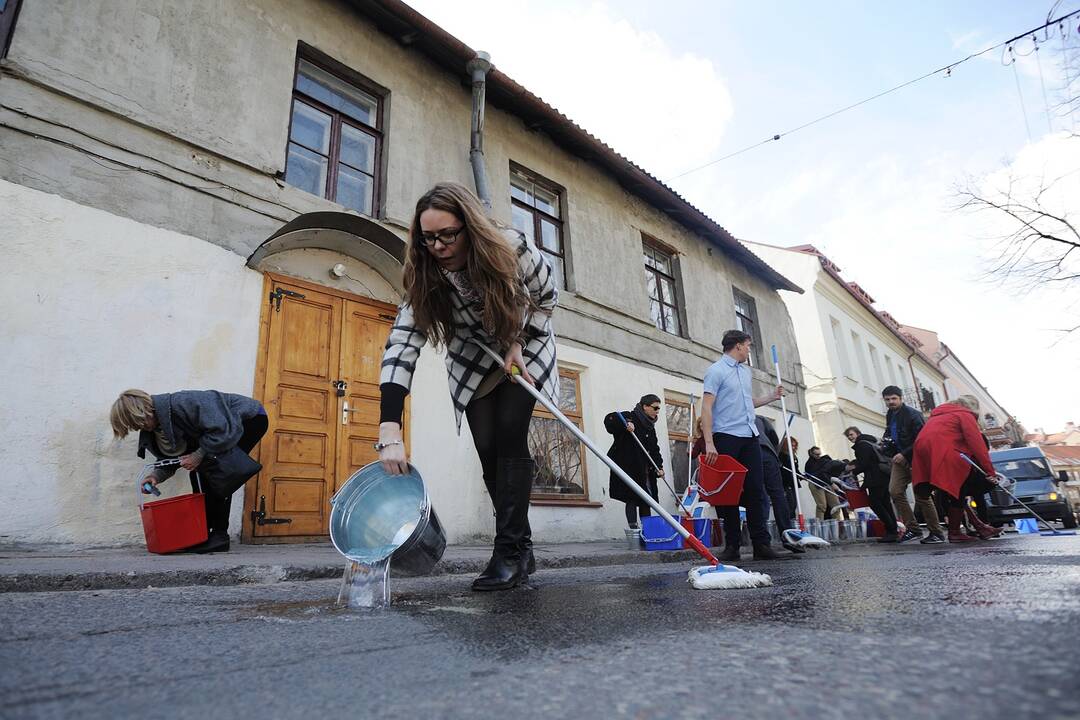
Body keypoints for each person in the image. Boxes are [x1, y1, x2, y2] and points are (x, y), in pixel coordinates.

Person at [376, 182, 558, 592]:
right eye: (428, 238)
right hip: (472, 357)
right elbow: (402, 344)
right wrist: (389, 427)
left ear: (469, 226)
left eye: (447, 235)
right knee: (489, 449)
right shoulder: (423, 273)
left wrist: (518, 341)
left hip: (524, 344)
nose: (438, 246)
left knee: (511, 434)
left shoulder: (510, 247)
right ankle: (523, 548)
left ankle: (508, 552)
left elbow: (547, 295)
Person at [110, 388, 268, 553]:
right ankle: (203, 534)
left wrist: (198, 455)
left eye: (138, 423)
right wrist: (155, 476)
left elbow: (222, 429)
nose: (140, 428)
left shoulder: (185, 403)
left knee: (217, 471)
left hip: (250, 418)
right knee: (200, 472)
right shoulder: (157, 427)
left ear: (145, 412)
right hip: (224, 428)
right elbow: (174, 457)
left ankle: (219, 536)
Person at [700, 330, 785, 561]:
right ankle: (732, 547)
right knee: (729, 494)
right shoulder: (716, 371)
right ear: (737, 346)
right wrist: (709, 443)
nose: (749, 350)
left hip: (749, 436)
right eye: (748, 345)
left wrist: (772, 397)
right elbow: (706, 407)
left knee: (756, 491)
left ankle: (761, 545)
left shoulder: (745, 372)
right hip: (726, 436)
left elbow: (748, 403)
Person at [911, 395, 999, 543]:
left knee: (955, 490)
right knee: (961, 488)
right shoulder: (964, 415)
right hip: (946, 453)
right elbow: (977, 444)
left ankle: (980, 526)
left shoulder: (937, 416)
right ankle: (955, 532)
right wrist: (990, 471)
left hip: (926, 454)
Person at [881, 385, 945, 544]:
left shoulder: (912, 414)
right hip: (899, 459)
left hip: (917, 459)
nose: (891, 402)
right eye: (887, 399)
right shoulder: (890, 414)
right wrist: (885, 443)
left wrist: (904, 454)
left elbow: (921, 439)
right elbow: (890, 432)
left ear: (901, 398)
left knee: (922, 495)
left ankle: (936, 532)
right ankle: (913, 529)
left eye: (894, 398)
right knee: (895, 491)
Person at [605, 395, 665, 529]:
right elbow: (610, 420)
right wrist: (625, 423)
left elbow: (654, 449)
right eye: (655, 408)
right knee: (631, 497)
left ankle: (647, 532)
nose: (657, 411)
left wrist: (659, 466)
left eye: (658, 409)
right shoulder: (629, 416)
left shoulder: (650, 427)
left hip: (645, 470)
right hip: (630, 467)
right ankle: (634, 531)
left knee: (646, 499)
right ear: (645, 406)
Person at [755, 415, 803, 553]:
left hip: (752, 454)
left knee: (759, 496)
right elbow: (774, 438)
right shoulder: (760, 418)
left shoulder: (732, 415)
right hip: (767, 453)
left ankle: (762, 541)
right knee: (777, 494)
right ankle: (787, 535)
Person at [845, 426, 900, 543]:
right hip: (884, 475)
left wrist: (853, 471)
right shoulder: (870, 441)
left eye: (851, 434)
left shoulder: (861, 445)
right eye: (848, 436)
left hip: (876, 478)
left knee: (875, 503)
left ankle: (891, 530)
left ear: (858, 433)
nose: (850, 437)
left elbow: (865, 463)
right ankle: (893, 531)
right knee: (885, 503)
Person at [804, 445, 843, 520]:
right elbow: (820, 474)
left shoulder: (822, 460)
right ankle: (819, 525)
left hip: (826, 482)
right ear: (811, 454)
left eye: (819, 454)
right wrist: (831, 483)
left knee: (836, 505)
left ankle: (838, 524)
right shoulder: (809, 464)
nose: (819, 456)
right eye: (816, 454)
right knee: (822, 506)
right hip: (816, 484)